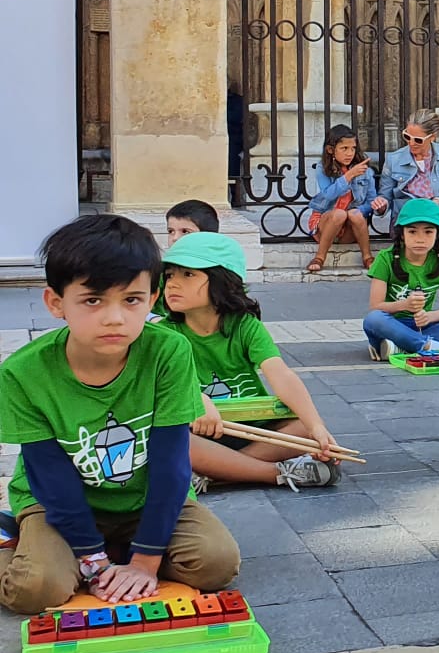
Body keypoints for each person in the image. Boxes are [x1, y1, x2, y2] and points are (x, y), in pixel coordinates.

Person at [0, 215, 241, 614]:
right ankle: (18, 536)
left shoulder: (168, 351)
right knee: (36, 589)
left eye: (131, 300)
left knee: (217, 562)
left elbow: (171, 463)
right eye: (93, 300)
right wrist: (93, 561)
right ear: (56, 303)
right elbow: (49, 475)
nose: (114, 317)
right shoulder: (23, 373)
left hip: (143, 497)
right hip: (55, 501)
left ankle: (123, 548)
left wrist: (145, 562)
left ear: (151, 298)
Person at [158, 232, 341, 492]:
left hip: (253, 430)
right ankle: (273, 473)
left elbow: (280, 375)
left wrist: (317, 428)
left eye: (188, 274)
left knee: (303, 427)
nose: (173, 284)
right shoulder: (165, 334)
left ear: (222, 281)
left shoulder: (245, 326)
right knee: (174, 440)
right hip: (202, 433)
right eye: (169, 276)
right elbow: (164, 383)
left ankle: (216, 473)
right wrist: (195, 397)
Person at [363, 198, 439, 359]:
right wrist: (404, 305)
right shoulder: (386, 259)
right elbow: (376, 306)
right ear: (402, 235)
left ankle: (403, 346)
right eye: (412, 232)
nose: (420, 239)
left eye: (428, 232)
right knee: (373, 319)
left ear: (437, 235)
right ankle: (431, 346)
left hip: (424, 324)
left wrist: (430, 316)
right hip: (393, 325)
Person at [381, 110, 439, 282]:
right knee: (420, 211)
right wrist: (381, 205)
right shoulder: (394, 159)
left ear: (432, 137)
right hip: (410, 212)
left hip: (438, 209)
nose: (411, 143)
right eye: (407, 136)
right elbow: (385, 197)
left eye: (417, 140)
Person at [305, 124, 378, 273]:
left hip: (350, 230)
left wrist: (362, 210)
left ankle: (367, 257)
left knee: (354, 214)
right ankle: (319, 257)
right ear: (331, 150)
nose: (349, 153)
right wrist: (349, 176)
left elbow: (371, 201)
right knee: (339, 213)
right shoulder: (323, 168)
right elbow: (327, 195)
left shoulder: (365, 171)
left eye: (353, 148)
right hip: (326, 225)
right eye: (344, 148)